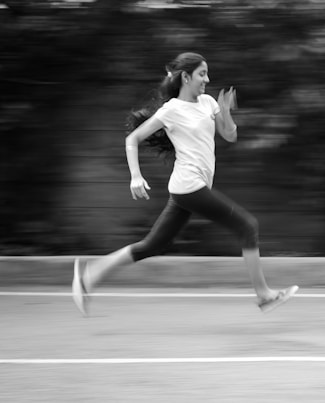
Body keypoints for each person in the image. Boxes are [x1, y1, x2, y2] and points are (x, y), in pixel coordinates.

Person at [72, 52, 298, 316]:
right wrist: (136, 175)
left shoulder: (208, 102)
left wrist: (225, 112)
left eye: (207, 73)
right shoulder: (172, 110)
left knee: (152, 245)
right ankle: (264, 295)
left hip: (189, 188)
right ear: (186, 77)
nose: (207, 79)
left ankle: (89, 276)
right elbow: (132, 139)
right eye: (202, 74)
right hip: (189, 186)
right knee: (247, 225)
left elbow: (229, 135)